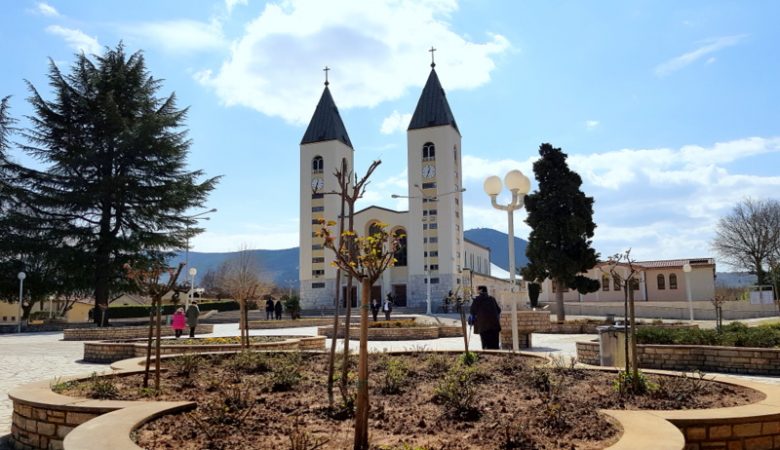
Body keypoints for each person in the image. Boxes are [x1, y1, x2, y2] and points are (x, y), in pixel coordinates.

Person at [470, 285, 501, 350]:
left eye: (477, 289)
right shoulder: (492, 299)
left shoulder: (477, 300)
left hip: (483, 327)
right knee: (495, 346)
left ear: (480, 290)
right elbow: (498, 310)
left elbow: (472, 311)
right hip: (495, 326)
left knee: (486, 347)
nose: (476, 291)